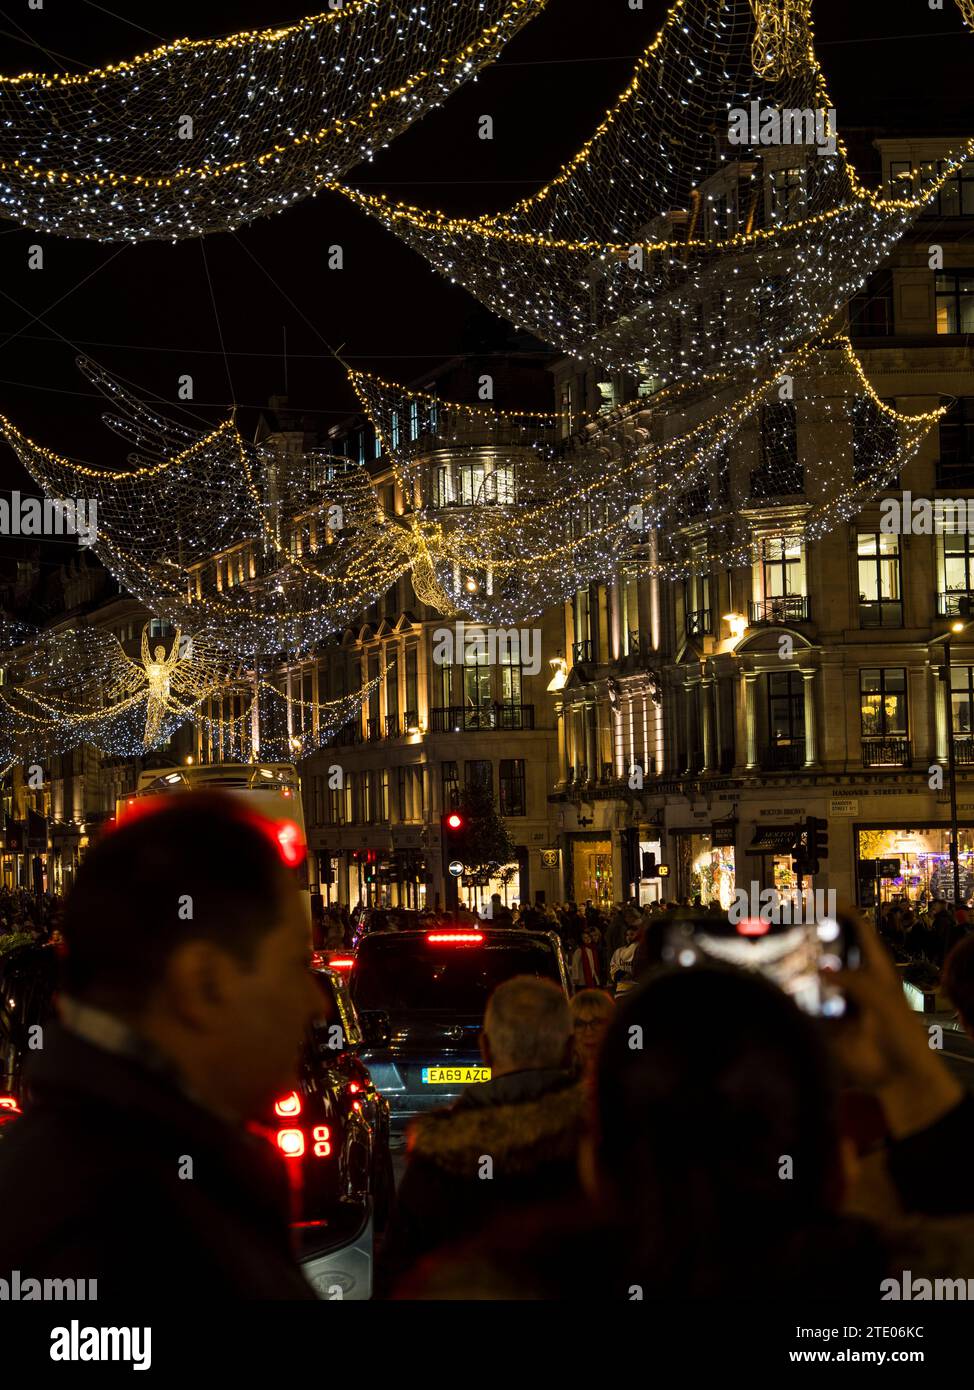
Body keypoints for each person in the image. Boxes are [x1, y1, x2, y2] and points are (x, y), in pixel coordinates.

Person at [0, 794, 324, 1300]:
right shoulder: (132, 1236)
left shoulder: (69, 1185)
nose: (315, 1005)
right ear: (204, 984)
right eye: (293, 967)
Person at [379, 976, 583, 1294]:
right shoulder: (605, 1141)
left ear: (486, 1049)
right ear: (571, 1050)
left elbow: (398, 1274)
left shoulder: (442, 1156)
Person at [569, 988, 614, 1080]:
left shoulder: (630, 1074)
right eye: (579, 1024)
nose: (589, 1032)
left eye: (596, 1022)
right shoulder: (562, 1080)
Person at [571, 924, 603, 988]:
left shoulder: (592, 949)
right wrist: (576, 976)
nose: (588, 939)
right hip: (582, 978)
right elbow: (575, 964)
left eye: (588, 937)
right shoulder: (580, 950)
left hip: (592, 976)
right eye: (585, 938)